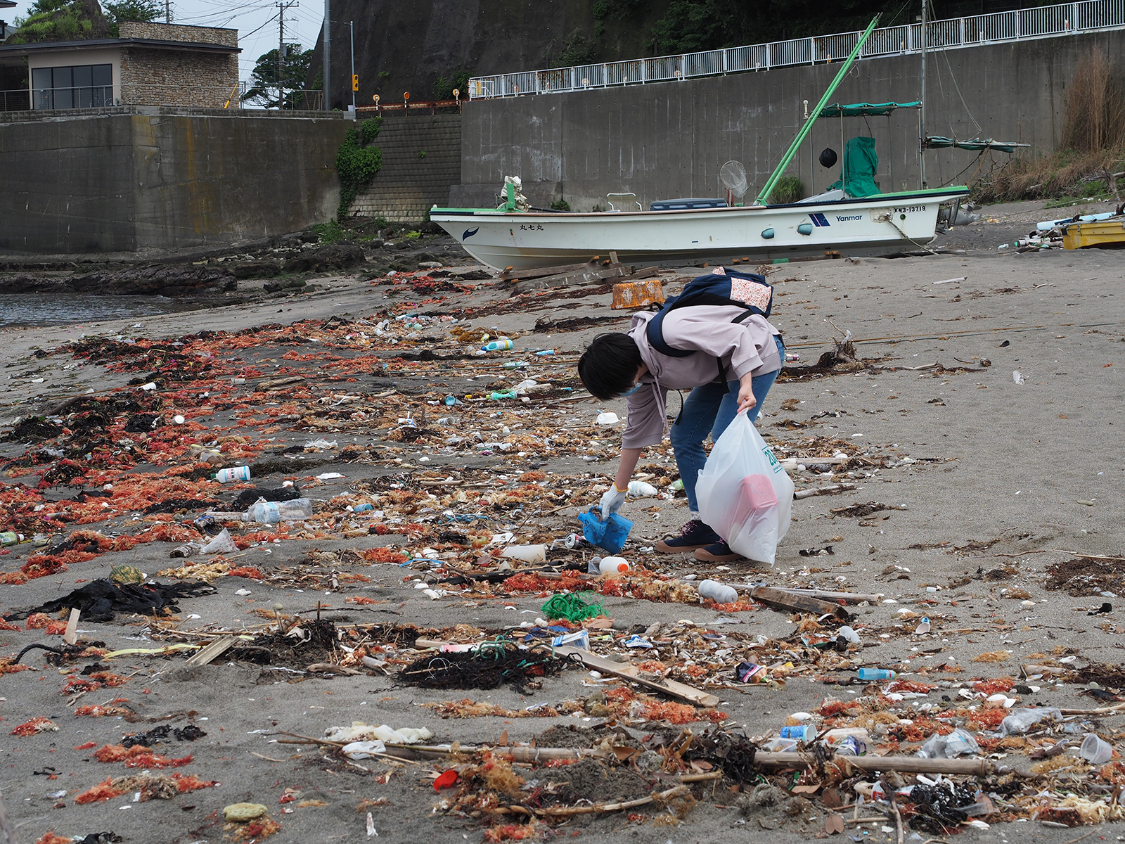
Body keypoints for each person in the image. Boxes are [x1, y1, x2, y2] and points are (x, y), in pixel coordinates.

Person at [577, 272, 784, 562]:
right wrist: (618, 489)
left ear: (622, 370)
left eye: (617, 388)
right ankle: (707, 524)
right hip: (719, 371)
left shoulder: (670, 332)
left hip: (756, 354)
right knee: (684, 436)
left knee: (727, 439)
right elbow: (635, 433)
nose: (624, 393)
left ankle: (741, 530)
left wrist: (746, 385)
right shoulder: (640, 379)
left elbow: (738, 337)